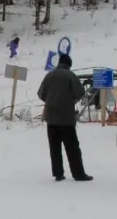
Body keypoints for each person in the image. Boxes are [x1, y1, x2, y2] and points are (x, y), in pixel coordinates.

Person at [37, 53, 92, 183]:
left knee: (54, 147)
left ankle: (58, 173)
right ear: (69, 65)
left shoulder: (49, 75)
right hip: (66, 117)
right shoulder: (70, 75)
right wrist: (69, 99)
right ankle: (78, 174)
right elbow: (80, 92)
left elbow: (41, 94)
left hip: (51, 117)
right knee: (72, 148)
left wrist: (51, 100)